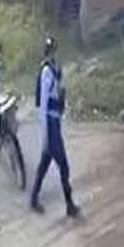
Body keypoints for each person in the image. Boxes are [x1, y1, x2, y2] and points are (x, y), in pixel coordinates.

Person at [30, 36, 80, 218]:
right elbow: (43, 104)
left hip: (54, 124)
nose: (53, 54)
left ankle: (34, 199)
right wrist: (44, 134)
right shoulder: (46, 72)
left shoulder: (53, 69)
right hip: (50, 126)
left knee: (44, 165)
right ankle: (69, 206)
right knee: (64, 167)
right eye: (51, 51)